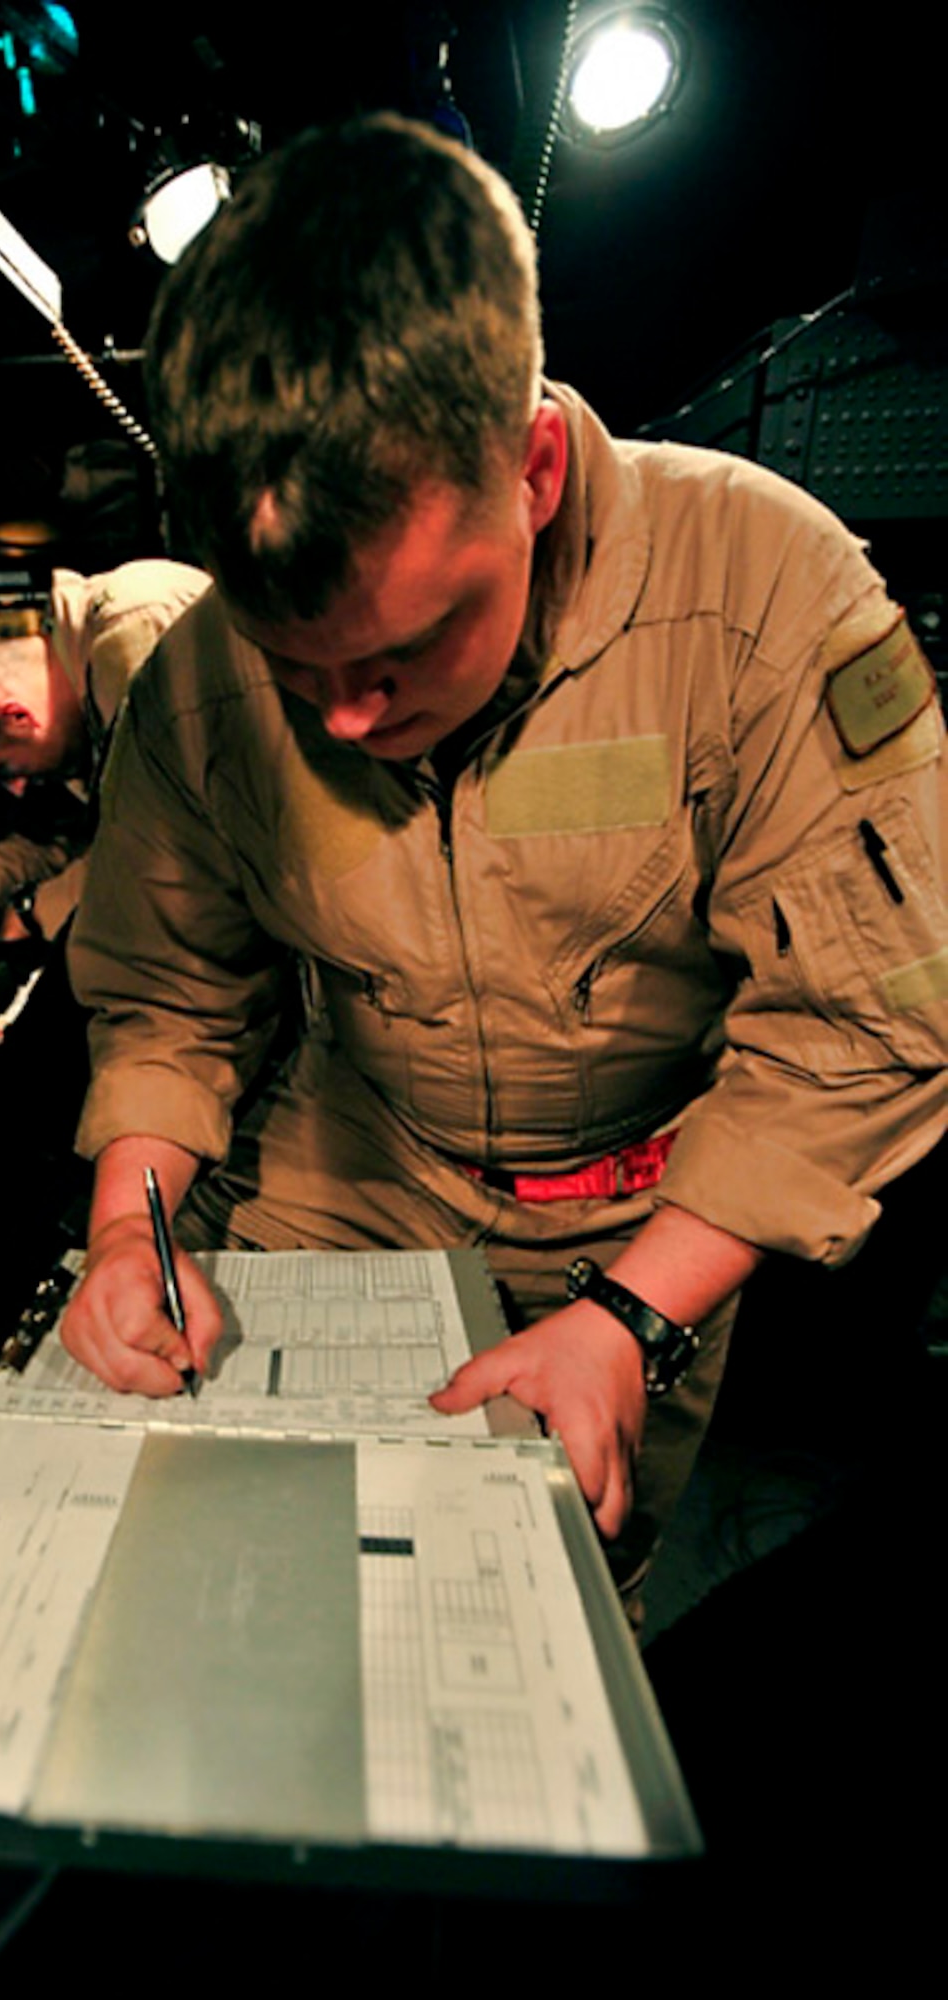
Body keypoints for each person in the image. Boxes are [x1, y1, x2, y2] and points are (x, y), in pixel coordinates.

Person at [59, 114, 948, 1592]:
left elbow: (865, 1025)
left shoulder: (763, 595)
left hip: (650, 1207)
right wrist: (121, 1238)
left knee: (528, 1598)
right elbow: (170, 996)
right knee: (211, 1552)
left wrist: (630, 1320)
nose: (346, 719)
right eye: (297, 669)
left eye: (405, 651)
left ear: (532, 468)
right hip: (349, 1165)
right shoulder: (195, 686)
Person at [0, 561, 208, 950]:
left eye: (6, 769)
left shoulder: (133, 632)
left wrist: (37, 911)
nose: (17, 788)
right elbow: (72, 842)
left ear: (17, 716)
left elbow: (167, 844)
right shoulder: (88, 701)